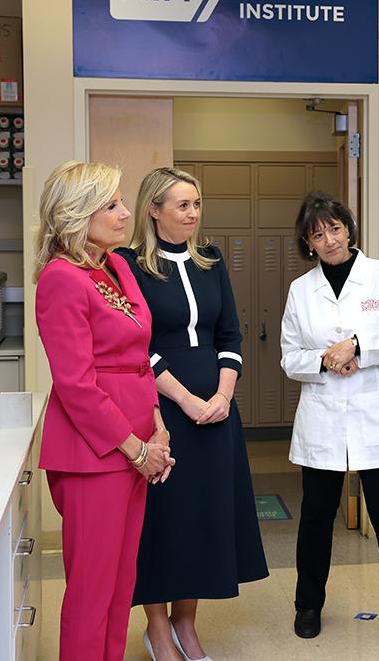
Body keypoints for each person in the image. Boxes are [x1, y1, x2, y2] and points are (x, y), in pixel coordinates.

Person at [117, 167, 268, 661]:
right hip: (162, 408)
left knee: (205, 516)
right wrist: (185, 400)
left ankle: (187, 624)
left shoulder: (211, 260)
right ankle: (158, 628)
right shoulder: (128, 264)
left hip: (216, 411)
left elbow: (230, 333)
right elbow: (137, 344)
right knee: (165, 520)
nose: (193, 213)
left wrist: (223, 396)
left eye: (197, 204)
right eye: (183, 205)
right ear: (153, 209)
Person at [34, 161, 173, 661]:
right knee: (92, 593)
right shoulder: (62, 279)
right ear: (77, 214)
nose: (124, 213)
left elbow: (139, 355)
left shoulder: (114, 267)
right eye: (111, 204)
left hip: (136, 445)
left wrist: (156, 428)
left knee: (120, 586)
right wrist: (136, 448)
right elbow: (75, 383)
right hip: (94, 454)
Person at [280, 191, 379, 657]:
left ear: (348, 228)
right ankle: (308, 606)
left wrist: (358, 346)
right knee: (316, 520)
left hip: (376, 418)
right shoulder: (302, 290)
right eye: (318, 234)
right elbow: (289, 356)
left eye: (335, 229)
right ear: (308, 242)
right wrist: (325, 359)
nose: (330, 239)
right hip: (322, 421)